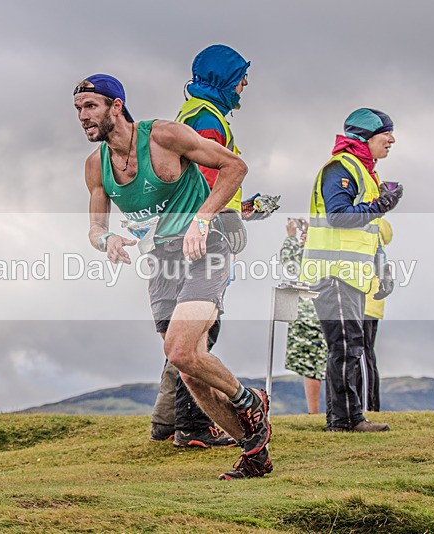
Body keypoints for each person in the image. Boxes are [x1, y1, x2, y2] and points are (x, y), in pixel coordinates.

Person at [74, 73, 272, 479]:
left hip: (205, 248)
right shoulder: (96, 166)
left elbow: (234, 166)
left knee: (180, 351)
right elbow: (95, 227)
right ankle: (256, 452)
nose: (82, 116)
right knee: (190, 371)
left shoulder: (163, 136)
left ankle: (248, 400)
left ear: (116, 105)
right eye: (78, 109)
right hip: (162, 263)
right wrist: (106, 239)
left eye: (90, 106)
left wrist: (203, 219)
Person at [150, 44, 256, 449]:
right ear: (225, 78)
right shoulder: (206, 119)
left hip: (185, 231)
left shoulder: (196, 113)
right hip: (197, 238)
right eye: (241, 77)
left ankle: (167, 422)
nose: (245, 85)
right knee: (199, 333)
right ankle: (193, 427)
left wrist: (238, 207)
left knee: (185, 332)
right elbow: (207, 181)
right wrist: (216, 221)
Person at [300, 108, 403, 432]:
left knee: (350, 345)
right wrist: (379, 206)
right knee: (346, 345)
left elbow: (367, 232)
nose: (392, 139)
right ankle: (345, 421)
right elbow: (339, 215)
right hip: (333, 274)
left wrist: (381, 269)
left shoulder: (362, 171)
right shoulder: (341, 168)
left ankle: (345, 417)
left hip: (351, 275)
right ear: (365, 137)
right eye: (385, 133)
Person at [280, 217, 327, 414]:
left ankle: (314, 412)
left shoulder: (312, 252)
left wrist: (291, 238)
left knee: (312, 366)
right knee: (325, 363)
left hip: (309, 311)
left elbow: (289, 265)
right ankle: (332, 409)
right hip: (326, 308)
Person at [361, 217, 393, 412]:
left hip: (363, 298)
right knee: (367, 353)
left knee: (359, 354)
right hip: (375, 302)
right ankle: (372, 405)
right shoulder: (379, 231)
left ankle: (365, 406)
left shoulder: (366, 226)